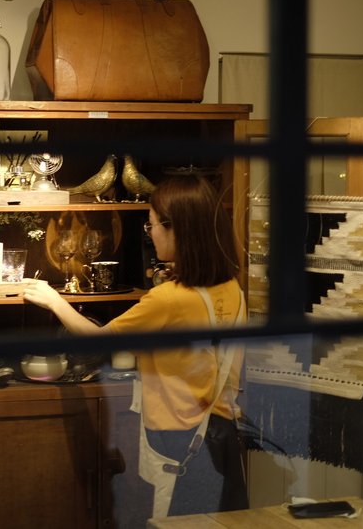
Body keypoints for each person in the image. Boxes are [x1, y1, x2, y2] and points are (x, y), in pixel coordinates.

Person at [23, 174, 248, 517]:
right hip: (222, 431)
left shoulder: (167, 299)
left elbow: (99, 340)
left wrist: (55, 301)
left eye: (152, 225)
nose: (150, 233)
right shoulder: (232, 287)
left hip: (176, 434)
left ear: (177, 230)